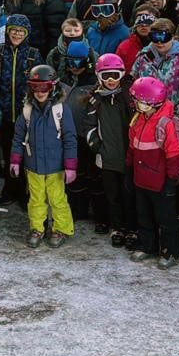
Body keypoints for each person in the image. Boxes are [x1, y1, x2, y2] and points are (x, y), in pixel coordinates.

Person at [72, 52, 134, 247]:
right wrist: (98, 147)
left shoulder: (129, 97)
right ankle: (117, 227)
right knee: (112, 195)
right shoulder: (96, 100)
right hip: (107, 158)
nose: (111, 80)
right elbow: (88, 126)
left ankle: (131, 228)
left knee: (129, 195)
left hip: (129, 156)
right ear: (99, 76)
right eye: (106, 76)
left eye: (115, 75)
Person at [12, 63, 77, 248]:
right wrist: (15, 160)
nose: (40, 92)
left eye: (44, 87)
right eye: (35, 87)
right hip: (33, 165)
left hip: (56, 167)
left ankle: (61, 228)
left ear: (53, 86)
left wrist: (70, 166)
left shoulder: (61, 110)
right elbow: (18, 137)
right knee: (36, 199)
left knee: (57, 199)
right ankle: (37, 228)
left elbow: (70, 139)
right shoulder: (27, 110)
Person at [127, 75, 179, 269]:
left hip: (160, 181)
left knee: (166, 218)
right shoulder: (138, 118)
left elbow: (173, 153)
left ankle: (170, 251)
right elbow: (132, 146)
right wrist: (129, 167)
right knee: (144, 215)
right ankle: (147, 245)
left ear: (153, 103)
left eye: (140, 101)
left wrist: (172, 179)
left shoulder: (165, 124)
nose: (137, 104)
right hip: (141, 178)